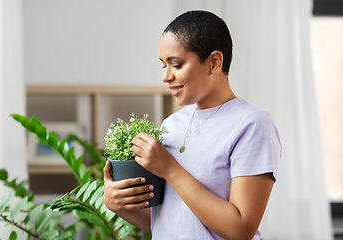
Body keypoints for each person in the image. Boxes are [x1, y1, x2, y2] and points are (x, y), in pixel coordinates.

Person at [103, 10, 281, 240]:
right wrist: (117, 204)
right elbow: (165, 221)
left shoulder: (252, 124)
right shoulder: (172, 124)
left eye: (176, 64)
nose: (166, 76)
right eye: (163, 65)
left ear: (214, 62)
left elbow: (240, 230)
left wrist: (170, 169)